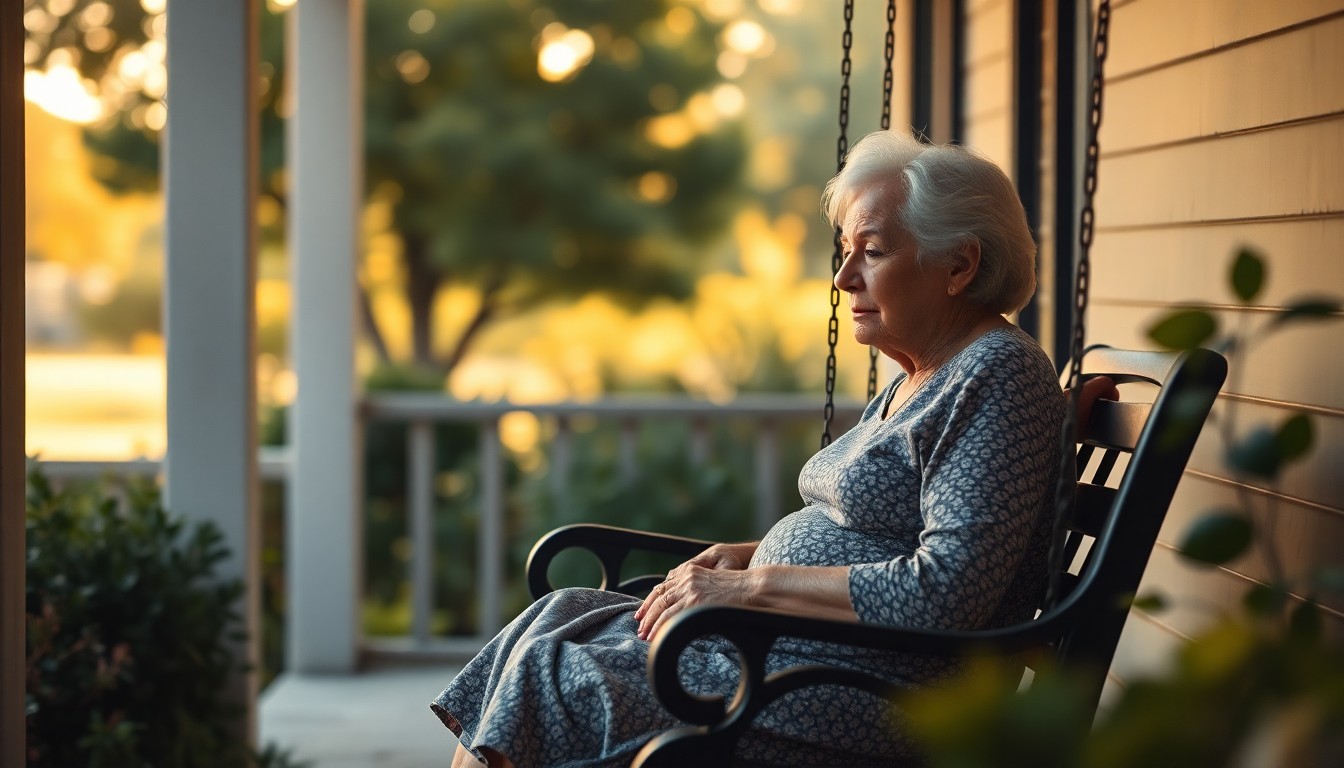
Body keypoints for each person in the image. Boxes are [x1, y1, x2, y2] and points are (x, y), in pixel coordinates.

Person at [432, 130, 1083, 767]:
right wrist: (743, 558)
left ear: (960, 265)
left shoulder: (997, 375)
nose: (844, 277)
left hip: (859, 687)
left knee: (561, 674)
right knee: (562, 615)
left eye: (873, 252)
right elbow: (880, 528)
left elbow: (945, 593)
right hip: (792, 655)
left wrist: (750, 588)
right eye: (845, 251)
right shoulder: (925, 375)